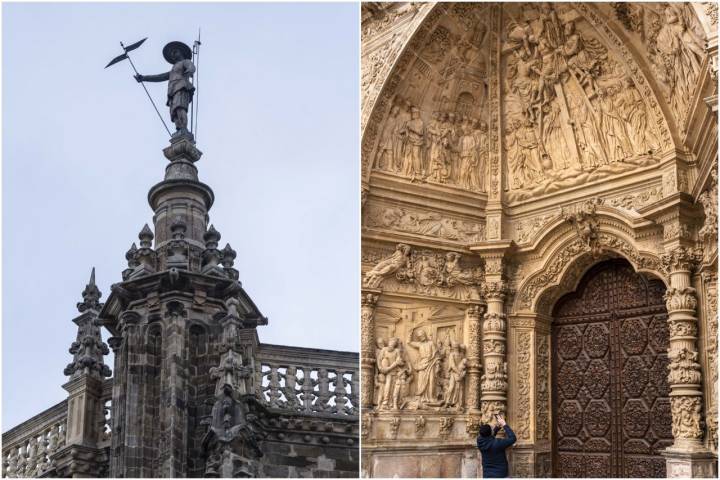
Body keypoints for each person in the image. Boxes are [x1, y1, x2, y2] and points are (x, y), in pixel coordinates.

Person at [476, 414, 516, 478]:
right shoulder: (498, 443)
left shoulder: (480, 442)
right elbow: (513, 438)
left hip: (487, 474)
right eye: (492, 429)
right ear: (490, 432)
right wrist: (504, 424)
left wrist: (497, 428)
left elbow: (489, 438)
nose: (493, 429)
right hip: (500, 475)